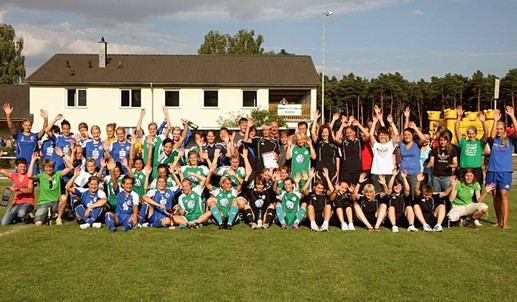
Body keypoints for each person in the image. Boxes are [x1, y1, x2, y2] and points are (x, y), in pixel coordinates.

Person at [487, 106, 517, 229]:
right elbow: (492, 136)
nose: (499, 131)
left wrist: (512, 116)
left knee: (503, 194)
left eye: (501, 129)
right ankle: (498, 220)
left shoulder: (509, 140)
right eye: (497, 129)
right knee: (495, 195)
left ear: (505, 130)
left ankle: (505, 222)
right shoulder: (493, 141)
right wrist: (495, 120)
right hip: (492, 170)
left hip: (505, 171)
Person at [27, 150, 72, 226]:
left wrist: (62, 156)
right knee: (38, 223)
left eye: (50, 167)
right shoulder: (40, 176)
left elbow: (70, 167)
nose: (48, 169)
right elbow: (29, 175)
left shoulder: (57, 174)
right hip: (44, 203)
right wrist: (33, 160)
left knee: (64, 197)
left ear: (53, 167)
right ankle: (49, 215)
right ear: (44, 168)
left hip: (56, 202)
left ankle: (59, 218)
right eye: (46, 167)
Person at [3, 103, 48, 174]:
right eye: (26, 125)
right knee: (19, 184)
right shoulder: (18, 135)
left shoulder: (35, 136)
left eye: (29, 125)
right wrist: (8, 115)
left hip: (32, 164)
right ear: (23, 126)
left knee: (32, 184)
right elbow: (11, 127)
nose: (28, 127)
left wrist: (46, 119)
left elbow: (44, 130)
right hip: (20, 164)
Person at [455, 106, 488, 186]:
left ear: (476, 134)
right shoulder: (463, 142)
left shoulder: (479, 143)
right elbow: (456, 130)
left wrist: (483, 121)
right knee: (462, 191)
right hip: (464, 169)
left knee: (477, 192)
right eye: (469, 133)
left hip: (476, 170)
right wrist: (459, 117)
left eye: (473, 133)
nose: (471, 135)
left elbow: (486, 133)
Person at [369, 112, 399, 194]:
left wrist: (391, 122)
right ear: (378, 136)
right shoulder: (375, 145)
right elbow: (371, 135)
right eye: (380, 135)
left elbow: (396, 134)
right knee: (378, 194)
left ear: (387, 136)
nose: (382, 137)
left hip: (388, 172)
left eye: (384, 135)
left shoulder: (390, 145)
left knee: (388, 193)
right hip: (376, 173)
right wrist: (375, 122)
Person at [0, 158, 35, 226]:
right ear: (16, 167)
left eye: (24, 166)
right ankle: (17, 217)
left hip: (28, 202)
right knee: (4, 223)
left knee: (21, 212)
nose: (23, 168)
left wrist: (18, 189)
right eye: (21, 167)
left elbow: (30, 190)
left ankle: (29, 215)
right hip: (16, 202)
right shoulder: (14, 176)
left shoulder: (29, 177)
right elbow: (2, 171)